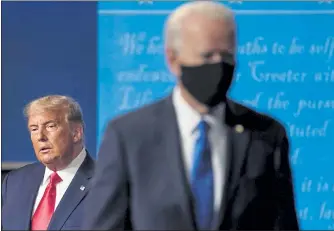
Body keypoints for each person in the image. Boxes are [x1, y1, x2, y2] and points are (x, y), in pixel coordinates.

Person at [83, 1, 299, 230]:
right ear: (173, 59)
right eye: (207, 56)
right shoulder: (129, 136)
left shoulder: (265, 135)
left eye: (226, 56)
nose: (219, 66)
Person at [2, 95, 95, 230]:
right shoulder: (14, 182)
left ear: (76, 133)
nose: (40, 137)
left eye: (50, 126)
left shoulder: (108, 182)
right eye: (34, 129)